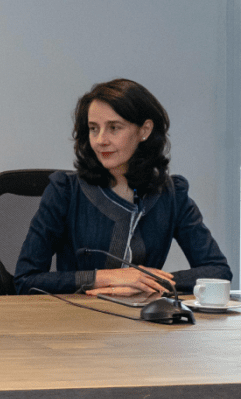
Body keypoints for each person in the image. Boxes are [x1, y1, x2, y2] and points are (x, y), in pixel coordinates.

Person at [14, 79, 232, 296]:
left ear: (144, 130)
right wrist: (105, 278)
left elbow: (218, 271)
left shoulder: (171, 194)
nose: (100, 140)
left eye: (114, 128)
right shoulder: (65, 191)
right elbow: (26, 280)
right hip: (79, 322)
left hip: (144, 322)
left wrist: (145, 281)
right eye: (93, 129)